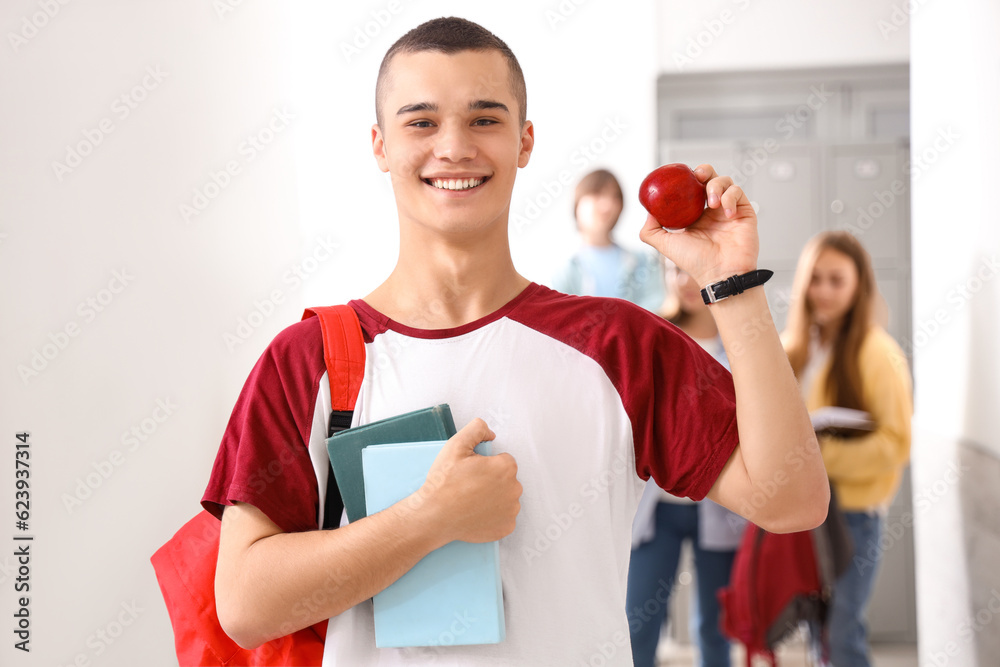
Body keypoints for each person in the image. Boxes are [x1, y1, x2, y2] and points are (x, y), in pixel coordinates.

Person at [203, 17, 829, 666]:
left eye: (484, 119)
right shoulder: (306, 359)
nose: (453, 147)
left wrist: (735, 286)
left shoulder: (619, 343)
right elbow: (245, 604)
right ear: (379, 144)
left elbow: (793, 499)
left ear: (524, 140)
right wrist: (428, 518)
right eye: (420, 122)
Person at [781, 231, 912, 667]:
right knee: (818, 632)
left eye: (837, 280)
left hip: (853, 517)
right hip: (805, 514)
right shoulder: (792, 347)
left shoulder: (878, 353)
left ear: (859, 285)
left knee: (842, 633)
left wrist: (814, 458)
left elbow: (895, 446)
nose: (823, 290)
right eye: (815, 278)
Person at [626, 263, 747, 667]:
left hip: (722, 509)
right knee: (638, 625)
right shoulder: (652, 334)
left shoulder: (742, 344)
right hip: (658, 509)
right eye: (675, 270)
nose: (685, 282)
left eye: (694, 271)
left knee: (715, 631)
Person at [551, 169, 664, 311]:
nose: (607, 205)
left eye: (614, 197)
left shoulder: (643, 262)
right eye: (597, 194)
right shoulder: (564, 271)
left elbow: (655, 311)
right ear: (577, 204)